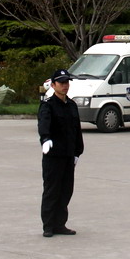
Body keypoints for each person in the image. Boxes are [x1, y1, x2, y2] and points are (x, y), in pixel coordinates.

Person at [38, 68, 84, 237]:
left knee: (66, 191)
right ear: (53, 85)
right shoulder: (48, 105)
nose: (65, 85)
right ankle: (48, 226)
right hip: (53, 156)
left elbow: (76, 130)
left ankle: (60, 224)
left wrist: (78, 151)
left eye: (67, 82)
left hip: (68, 155)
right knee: (52, 190)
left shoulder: (71, 105)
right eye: (61, 83)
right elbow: (44, 124)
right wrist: (45, 139)